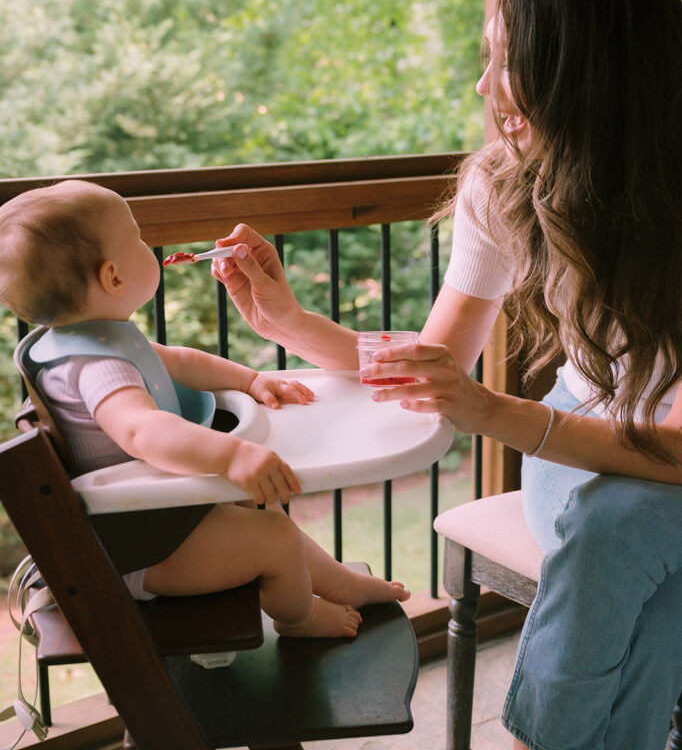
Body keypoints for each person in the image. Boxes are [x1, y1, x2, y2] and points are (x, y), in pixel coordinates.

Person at [210, 0, 682, 750]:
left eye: (505, 59)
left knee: (639, 554)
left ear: (583, 72)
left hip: (639, 453)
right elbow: (433, 368)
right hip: (585, 437)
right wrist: (288, 318)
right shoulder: (505, 189)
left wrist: (494, 412)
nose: (482, 86)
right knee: (631, 540)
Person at [0, 180, 410, 639]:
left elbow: (179, 361)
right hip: (147, 549)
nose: (147, 245)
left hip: (164, 514)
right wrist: (234, 456)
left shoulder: (95, 339)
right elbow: (142, 431)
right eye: (136, 238)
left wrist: (251, 380)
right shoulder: (96, 366)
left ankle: (342, 583)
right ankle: (301, 618)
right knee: (272, 541)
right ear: (113, 277)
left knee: (264, 510)